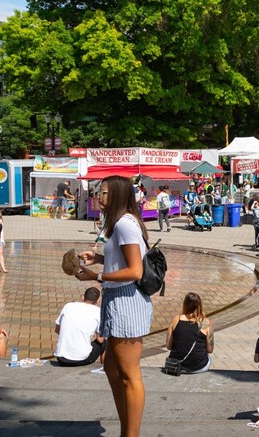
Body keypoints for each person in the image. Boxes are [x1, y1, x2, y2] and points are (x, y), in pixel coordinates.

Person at [74, 175, 151, 437]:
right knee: (112, 368)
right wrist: (97, 258)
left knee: (129, 374)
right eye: (99, 192)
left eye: (104, 193)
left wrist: (96, 276)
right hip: (116, 298)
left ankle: (132, 434)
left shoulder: (125, 225)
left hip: (127, 300)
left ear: (117, 195)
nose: (99, 197)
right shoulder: (119, 224)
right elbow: (122, 260)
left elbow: (135, 270)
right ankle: (126, 430)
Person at [165, 292, 214, 374]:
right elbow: (210, 349)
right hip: (198, 366)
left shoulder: (176, 319)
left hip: (176, 365)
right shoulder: (205, 322)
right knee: (209, 358)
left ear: (185, 304)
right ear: (200, 305)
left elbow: (169, 346)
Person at [55, 287, 105, 367]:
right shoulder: (98, 311)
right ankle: (103, 368)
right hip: (81, 359)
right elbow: (100, 339)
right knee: (105, 343)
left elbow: (57, 330)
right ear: (97, 301)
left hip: (61, 357)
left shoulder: (68, 306)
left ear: (83, 297)